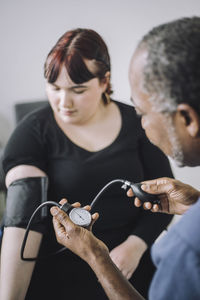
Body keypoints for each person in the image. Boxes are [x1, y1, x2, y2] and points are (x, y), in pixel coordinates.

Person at [0, 28, 173, 300]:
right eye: (54, 88)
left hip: (130, 266)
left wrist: (135, 246)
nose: (63, 102)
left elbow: (164, 198)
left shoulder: (139, 123)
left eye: (78, 90)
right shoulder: (32, 133)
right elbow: (22, 224)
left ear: (104, 81)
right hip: (60, 276)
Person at [49, 17, 200, 300]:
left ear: (187, 118)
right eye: (55, 88)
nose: (141, 124)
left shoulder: (185, 249)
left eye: (142, 112)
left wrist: (97, 257)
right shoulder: (36, 131)